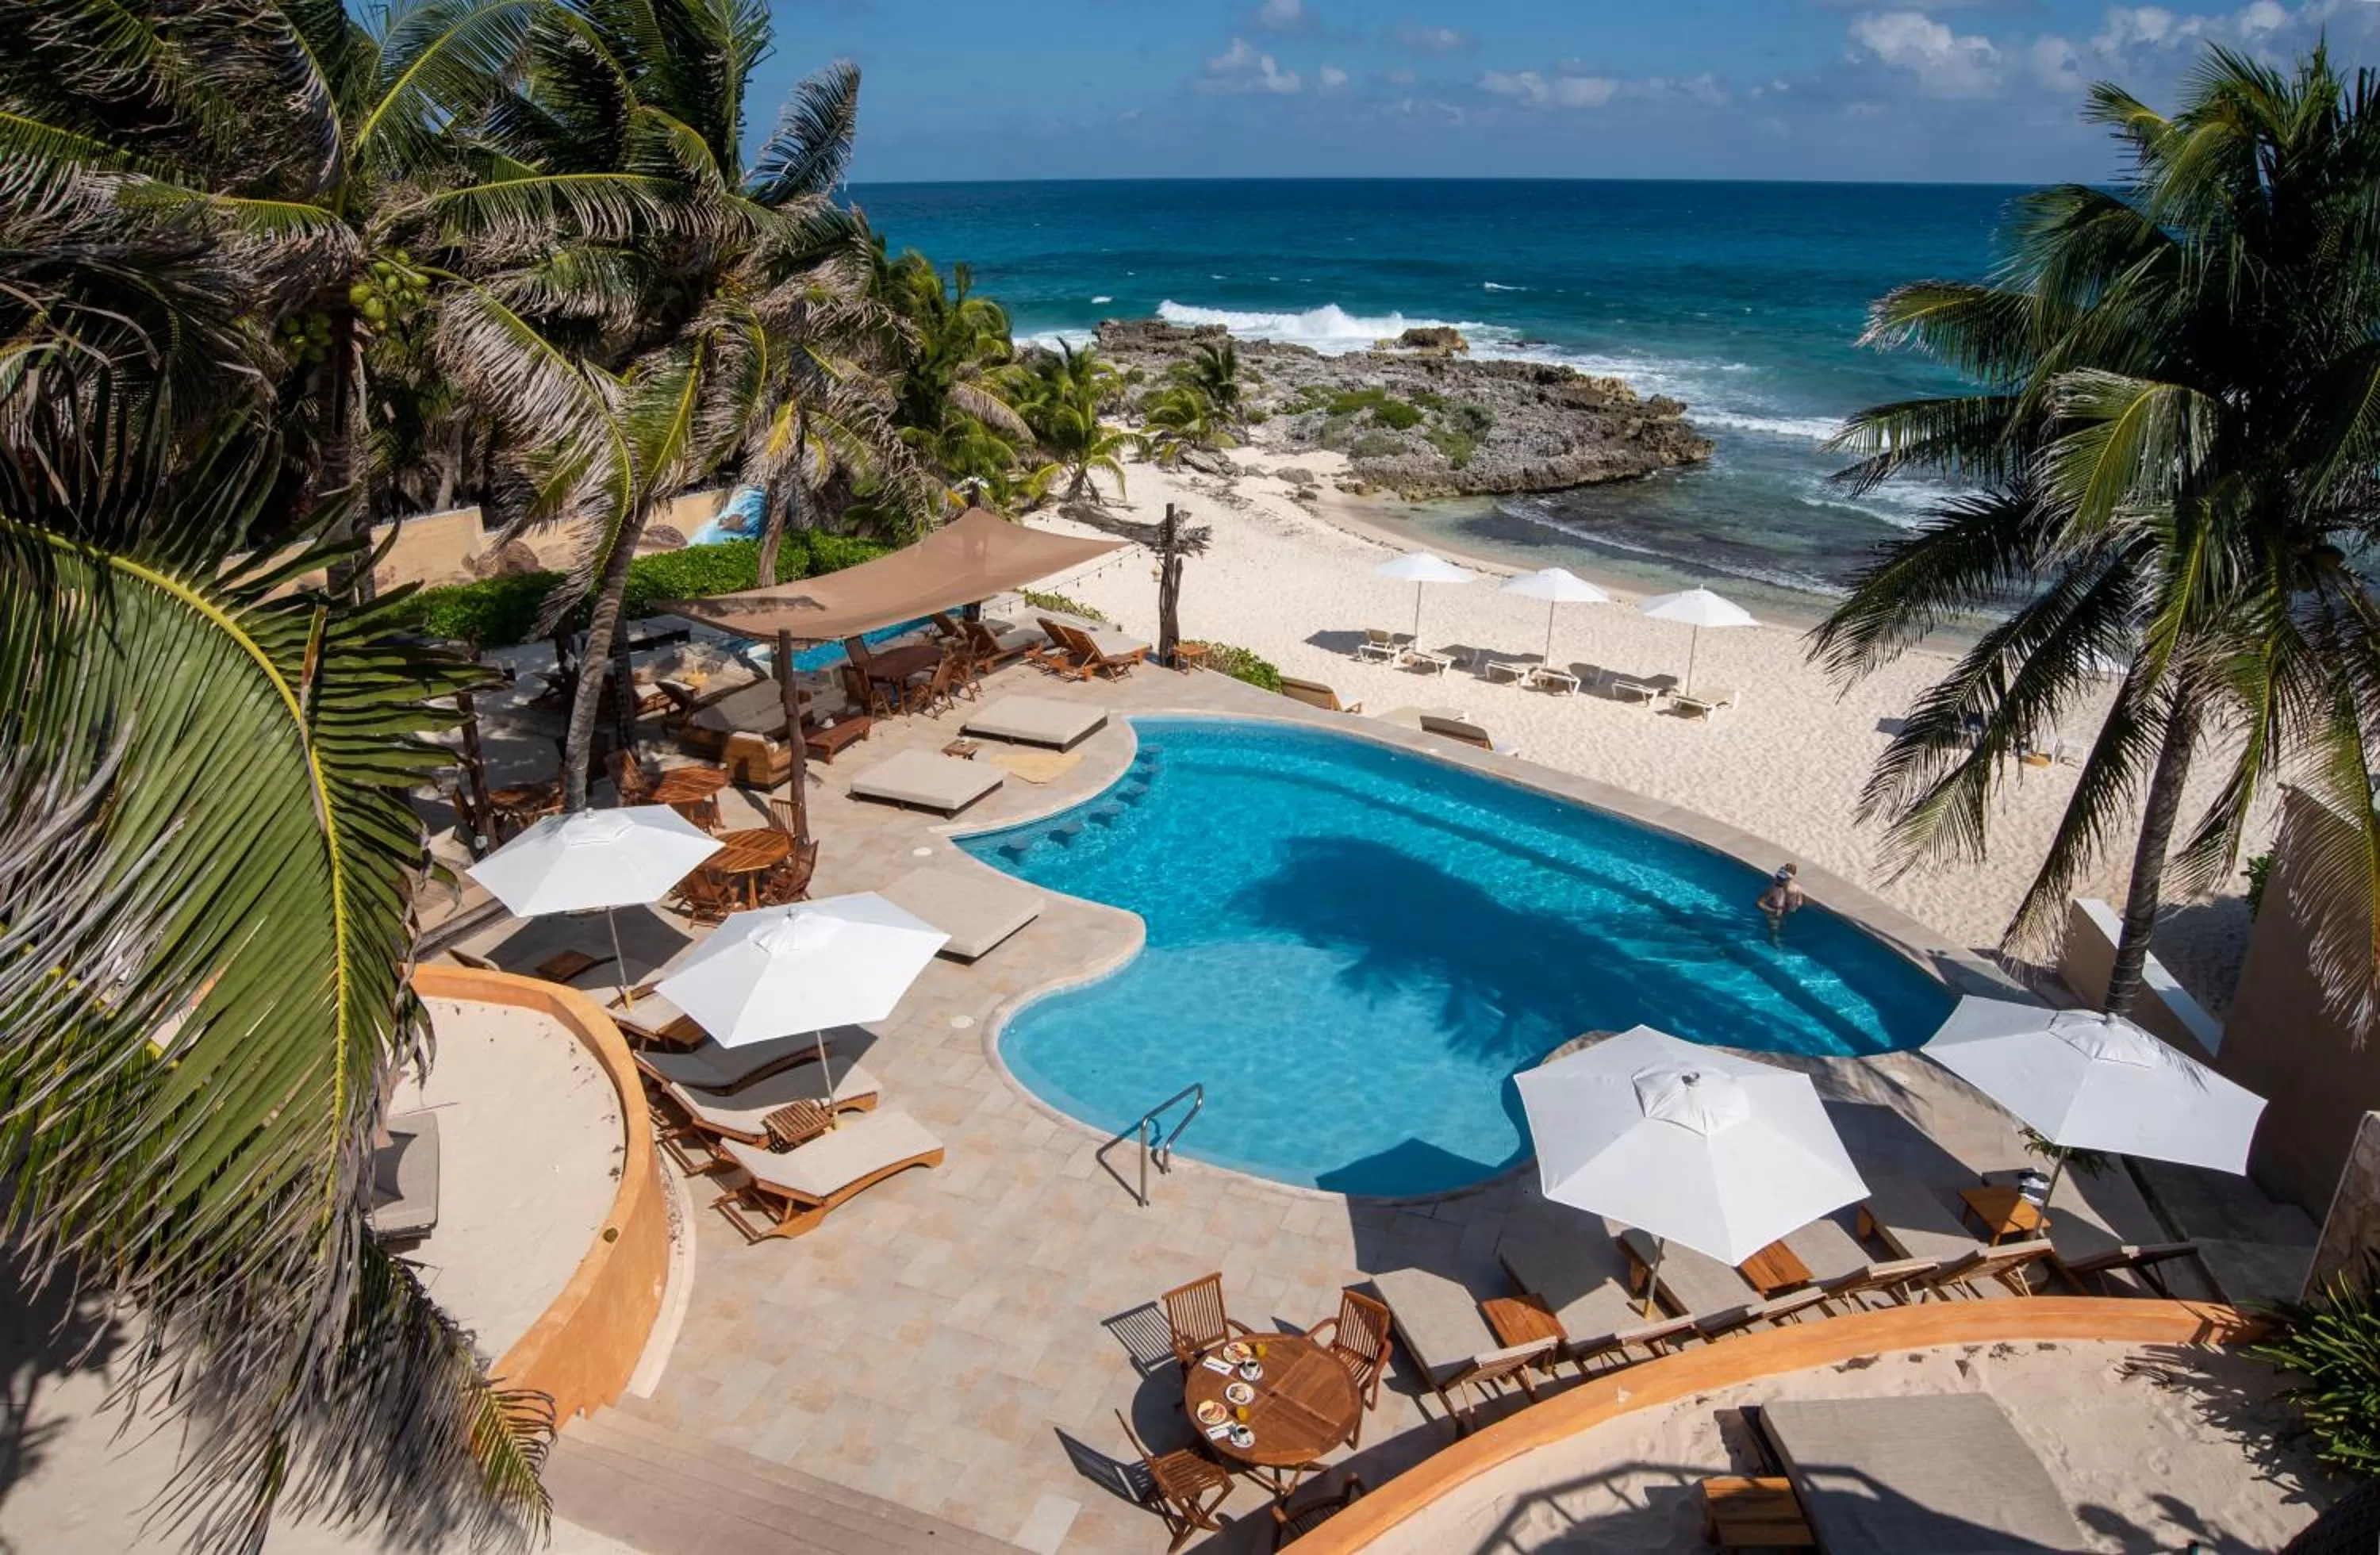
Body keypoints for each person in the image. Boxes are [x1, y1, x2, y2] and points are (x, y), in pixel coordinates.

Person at [1757, 864, 1806, 941]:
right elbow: (1760, 903)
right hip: (1775, 912)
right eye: (1778, 878)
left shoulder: (1796, 889)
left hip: (1786, 912)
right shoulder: (1774, 889)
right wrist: (1772, 911)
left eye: (1781, 879)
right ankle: (1774, 941)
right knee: (1774, 929)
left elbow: (1799, 902)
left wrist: (1794, 908)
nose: (1778, 880)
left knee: (1782, 926)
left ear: (1789, 879)